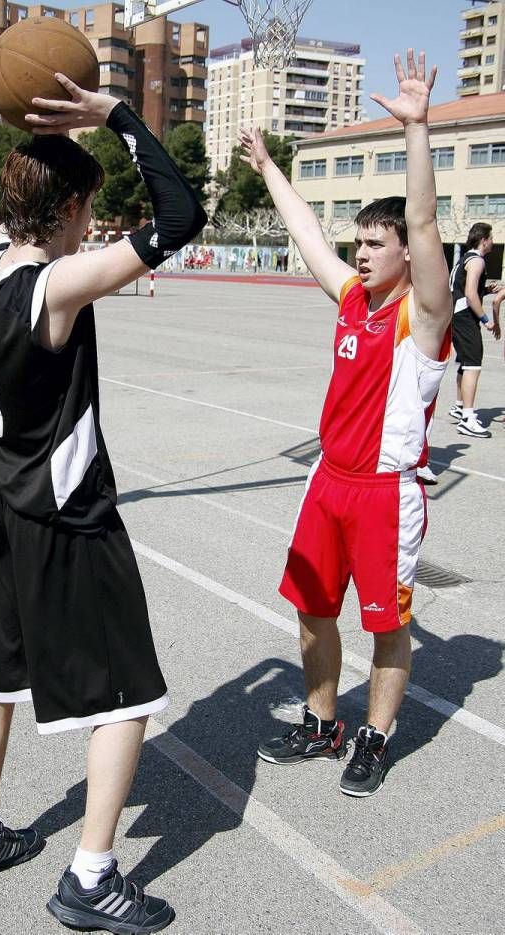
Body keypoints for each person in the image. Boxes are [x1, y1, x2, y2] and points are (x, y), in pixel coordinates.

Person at [0, 74, 206, 932]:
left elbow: (23, 213)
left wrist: (34, 132)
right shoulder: (53, 290)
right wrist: (118, 118)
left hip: (5, 502)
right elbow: (179, 219)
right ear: (62, 210)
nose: (93, 224)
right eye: (87, 208)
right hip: (68, 516)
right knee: (128, 697)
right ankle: (91, 877)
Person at [240, 50, 452, 797]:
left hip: (386, 493)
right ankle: (324, 720)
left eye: (375, 245)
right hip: (328, 482)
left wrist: (419, 127)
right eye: (358, 243)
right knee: (310, 608)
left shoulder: (421, 318)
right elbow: (306, 234)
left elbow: (423, 218)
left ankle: (376, 734)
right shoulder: (353, 298)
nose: (360, 254)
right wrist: (268, 165)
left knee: (386, 625)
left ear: (407, 255)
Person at [449, 223, 498, 438]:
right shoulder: (477, 261)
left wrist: (485, 290)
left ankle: (460, 406)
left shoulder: (465, 258)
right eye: (491, 237)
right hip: (465, 318)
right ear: (484, 239)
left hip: (456, 316)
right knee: (473, 366)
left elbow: (463, 289)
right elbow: (469, 293)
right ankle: (468, 419)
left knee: (465, 364)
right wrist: (486, 319)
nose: (493, 241)